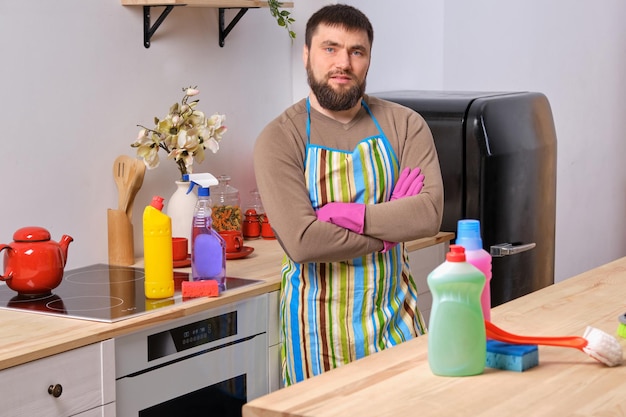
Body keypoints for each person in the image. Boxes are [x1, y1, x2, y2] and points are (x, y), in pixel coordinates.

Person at [253, 4, 444, 386]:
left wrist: (351, 216)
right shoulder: (279, 138)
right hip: (316, 331)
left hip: (395, 319)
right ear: (306, 55)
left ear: (368, 59)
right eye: (330, 48)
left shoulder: (405, 125)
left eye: (356, 51)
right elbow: (304, 241)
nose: (344, 62)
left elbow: (428, 216)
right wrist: (390, 230)